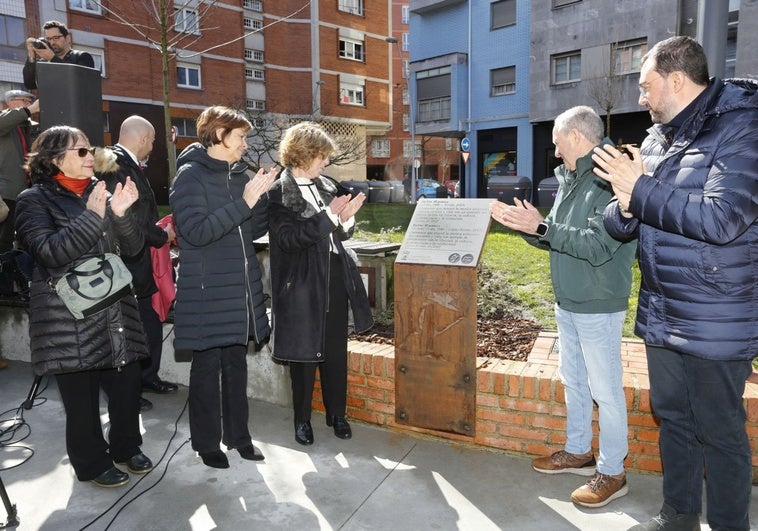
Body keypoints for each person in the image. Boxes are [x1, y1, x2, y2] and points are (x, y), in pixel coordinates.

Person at [593, 36, 758, 531]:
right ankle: (678, 515)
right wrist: (623, 204)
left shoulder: (743, 126)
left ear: (677, 80)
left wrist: (639, 189)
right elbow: (628, 220)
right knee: (673, 419)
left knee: (720, 431)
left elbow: (724, 218)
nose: (640, 98)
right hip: (663, 312)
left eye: (645, 86)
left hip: (716, 316)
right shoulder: (656, 139)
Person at [490, 106, 637, 508]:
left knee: (605, 390)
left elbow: (597, 244)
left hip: (597, 302)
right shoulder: (573, 178)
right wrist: (528, 227)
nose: (554, 152)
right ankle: (578, 452)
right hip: (568, 301)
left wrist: (542, 227)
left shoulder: (611, 178)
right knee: (573, 381)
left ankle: (613, 471)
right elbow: (557, 235)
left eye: (557, 142)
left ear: (575, 137)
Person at [14, 125, 153, 488]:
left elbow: (135, 249)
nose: (90, 156)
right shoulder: (33, 200)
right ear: (54, 159)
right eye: (80, 151)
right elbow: (48, 252)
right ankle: (91, 463)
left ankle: (126, 446)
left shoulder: (100, 191)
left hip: (114, 308)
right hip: (67, 317)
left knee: (126, 386)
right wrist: (92, 218)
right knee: (82, 399)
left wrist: (122, 216)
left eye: (89, 149)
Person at [169, 106, 278, 469]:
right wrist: (243, 202)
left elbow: (252, 229)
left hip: (240, 290)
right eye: (241, 136)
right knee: (206, 371)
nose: (246, 145)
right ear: (219, 134)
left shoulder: (238, 175)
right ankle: (206, 443)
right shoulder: (190, 176)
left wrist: (262, 198)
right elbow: (195, 233)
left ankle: (239, 437)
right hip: (206, 293)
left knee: (236, 367)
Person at [268, 122, 373, 446]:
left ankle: (336, 414)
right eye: (322, 156)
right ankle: (302, 421)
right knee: (303, 356)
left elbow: (341, 233)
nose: (326, 162)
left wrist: (347, 218)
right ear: (304, 154)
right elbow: (288, 239)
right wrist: (328, 217)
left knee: (335, 351)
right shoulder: (278, 193)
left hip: (334, 274)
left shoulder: (327, 185)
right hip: (300, 282)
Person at [96, 115, 178, 413]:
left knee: (149, 323)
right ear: (143, 138)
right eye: (153, 140)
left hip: (139, 263)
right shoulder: (113, 166)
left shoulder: (124, 164)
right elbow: (122, 219)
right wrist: (161, 235)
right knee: (129, 331)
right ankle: (128, 390)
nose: (154, 146)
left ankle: (146, 378)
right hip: (124, 266)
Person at [0, 90, 39, 253]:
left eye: (30, 101)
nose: (29, 104)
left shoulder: (26, 126)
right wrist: (28, 111)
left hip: (25, 191)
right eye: (24, 100)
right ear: (10, 102)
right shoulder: (5, 120)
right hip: (7, 193)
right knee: (4, 240)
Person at [23, 20, 95, 90]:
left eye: (56, 38)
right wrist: (31, 55)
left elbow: (78, 82)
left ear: (67, 38)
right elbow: (30, 84)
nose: (52, 42)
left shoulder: (81, 57)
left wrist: (52, 58)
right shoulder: (44, 62)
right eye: (48, 39)